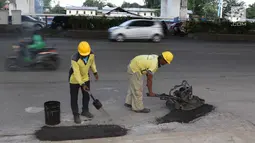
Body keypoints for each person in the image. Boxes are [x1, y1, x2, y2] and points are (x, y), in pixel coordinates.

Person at [68, 41, 99, 124]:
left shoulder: (91, 54)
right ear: (79, 52)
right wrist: (82, 84)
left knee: (86, 96)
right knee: (74, 98)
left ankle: (85, 111)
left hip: (85, 78)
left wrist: (95, 72)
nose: (85, 55)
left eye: (86, 54)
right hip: (74, 80)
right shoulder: (74, 59)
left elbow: (92, 63)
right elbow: (76, 73)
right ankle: (76, 114)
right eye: (83, 54)